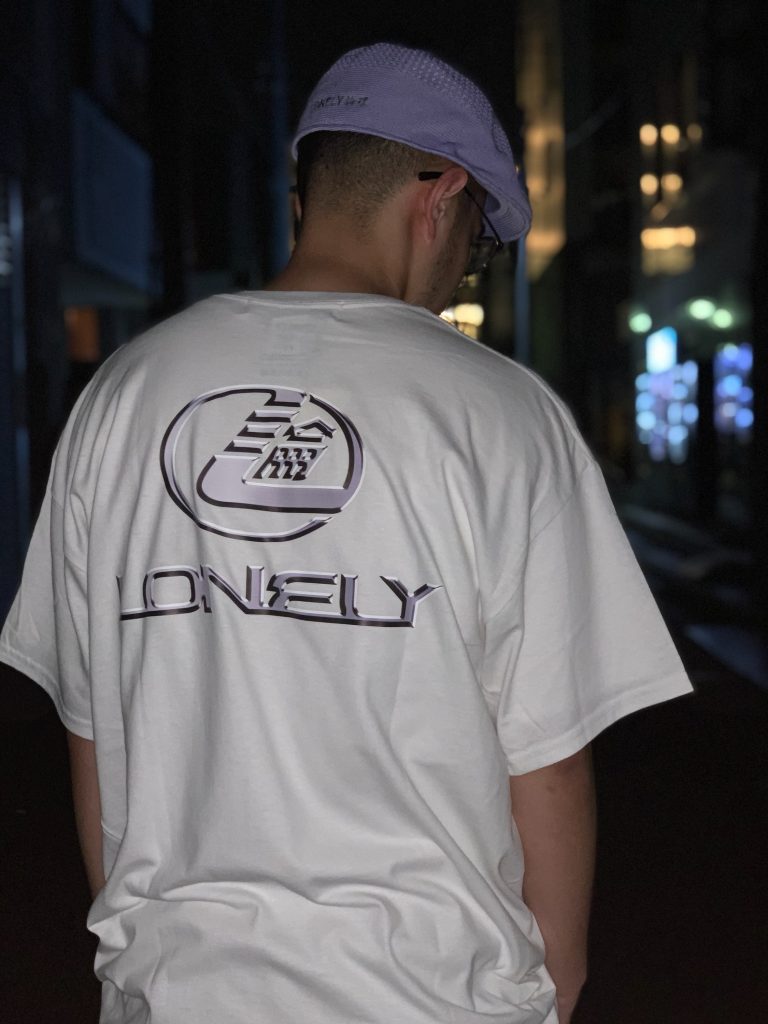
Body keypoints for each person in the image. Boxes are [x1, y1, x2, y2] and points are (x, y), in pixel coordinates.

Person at [0, 42, 691, 1024]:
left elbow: (93, 732)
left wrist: (137, 962)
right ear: (440, 196)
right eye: (478, 244)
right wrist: (556, 983)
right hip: (430, 993)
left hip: (181, 993)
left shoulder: (122, 394)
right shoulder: (503, 415)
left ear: (305, 200)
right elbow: (547, 757)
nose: (462, 271)